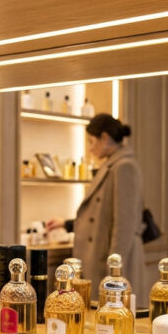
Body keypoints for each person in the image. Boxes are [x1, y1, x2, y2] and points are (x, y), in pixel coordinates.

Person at [47, 113, 145, 299]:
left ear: (105, 138)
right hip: (101, 256)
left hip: (111, 261)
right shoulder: (112, 165)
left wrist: (114, 269)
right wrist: (66, 224)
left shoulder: (124, 167)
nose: (90, 148)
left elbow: (124, 224)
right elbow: (98, 216)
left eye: (92, 141)